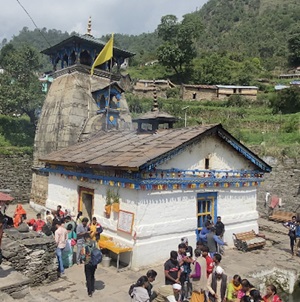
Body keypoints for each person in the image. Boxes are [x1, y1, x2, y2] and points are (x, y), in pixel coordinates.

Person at [83, 233, 98, 297]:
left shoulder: (84, 245)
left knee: (88, 276)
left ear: (85, 238)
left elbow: (83, 255)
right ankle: (92, 287)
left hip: (88, 262)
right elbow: (98, 250)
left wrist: (83, 258)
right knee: (92, 275)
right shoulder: (94, 242)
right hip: (94, 262)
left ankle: (89, 292)